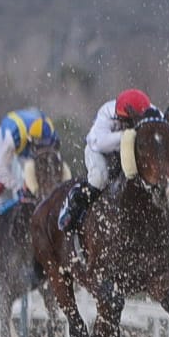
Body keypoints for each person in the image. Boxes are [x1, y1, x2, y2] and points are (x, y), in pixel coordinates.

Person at [57, 88, 152, 232]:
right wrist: (129, 135)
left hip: (129, 152)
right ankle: (73, 206)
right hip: (99, 151)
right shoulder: (107, 113)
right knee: (99, 178)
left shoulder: (153, 113)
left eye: (133, 123)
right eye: (126, 122)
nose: (129, 125)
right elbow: (100, 142)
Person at [0, 107, 59, 222]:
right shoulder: (10, 137)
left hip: (26, 142)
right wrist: (17, 187)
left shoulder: (52, 134)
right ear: (31, 140)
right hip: (8, 141)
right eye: (40, 147)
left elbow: (57, 163)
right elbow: (2, 169)